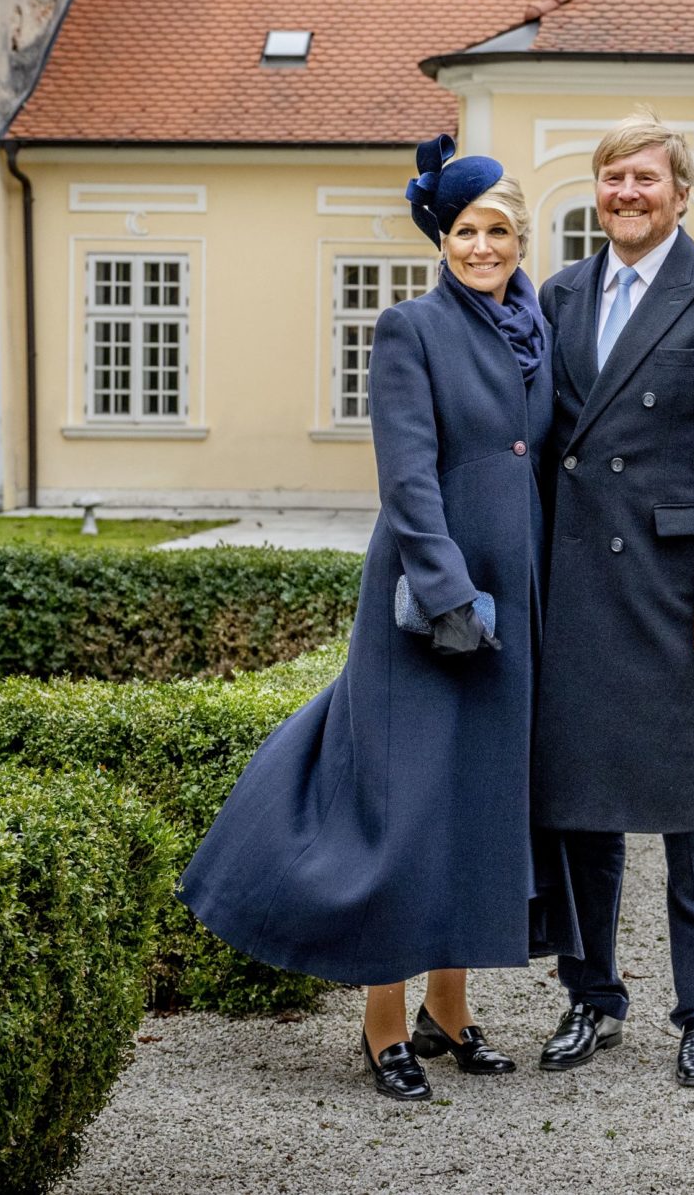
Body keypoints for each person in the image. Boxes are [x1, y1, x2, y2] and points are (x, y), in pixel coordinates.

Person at [177, 136, 574, 1103]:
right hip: (428, 602)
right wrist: (447, 592)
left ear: (522, 240)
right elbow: (406, 476)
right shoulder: (409, 328)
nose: (483, 247)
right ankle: (383, 1022)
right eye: (467, 230)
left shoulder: (535, 327)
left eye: (499, 230)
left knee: (478, 801)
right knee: (406, 805)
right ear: (442, 237)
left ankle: (452, 1007)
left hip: (515, 599)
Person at [532, 113, 694, 1088]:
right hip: (577, 594)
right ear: (596, 192)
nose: (628, 193)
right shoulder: (559, 295)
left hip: (683, 597)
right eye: (613, 178)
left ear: (681, 193)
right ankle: (591, 999)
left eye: (645, 178)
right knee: (581, 818)